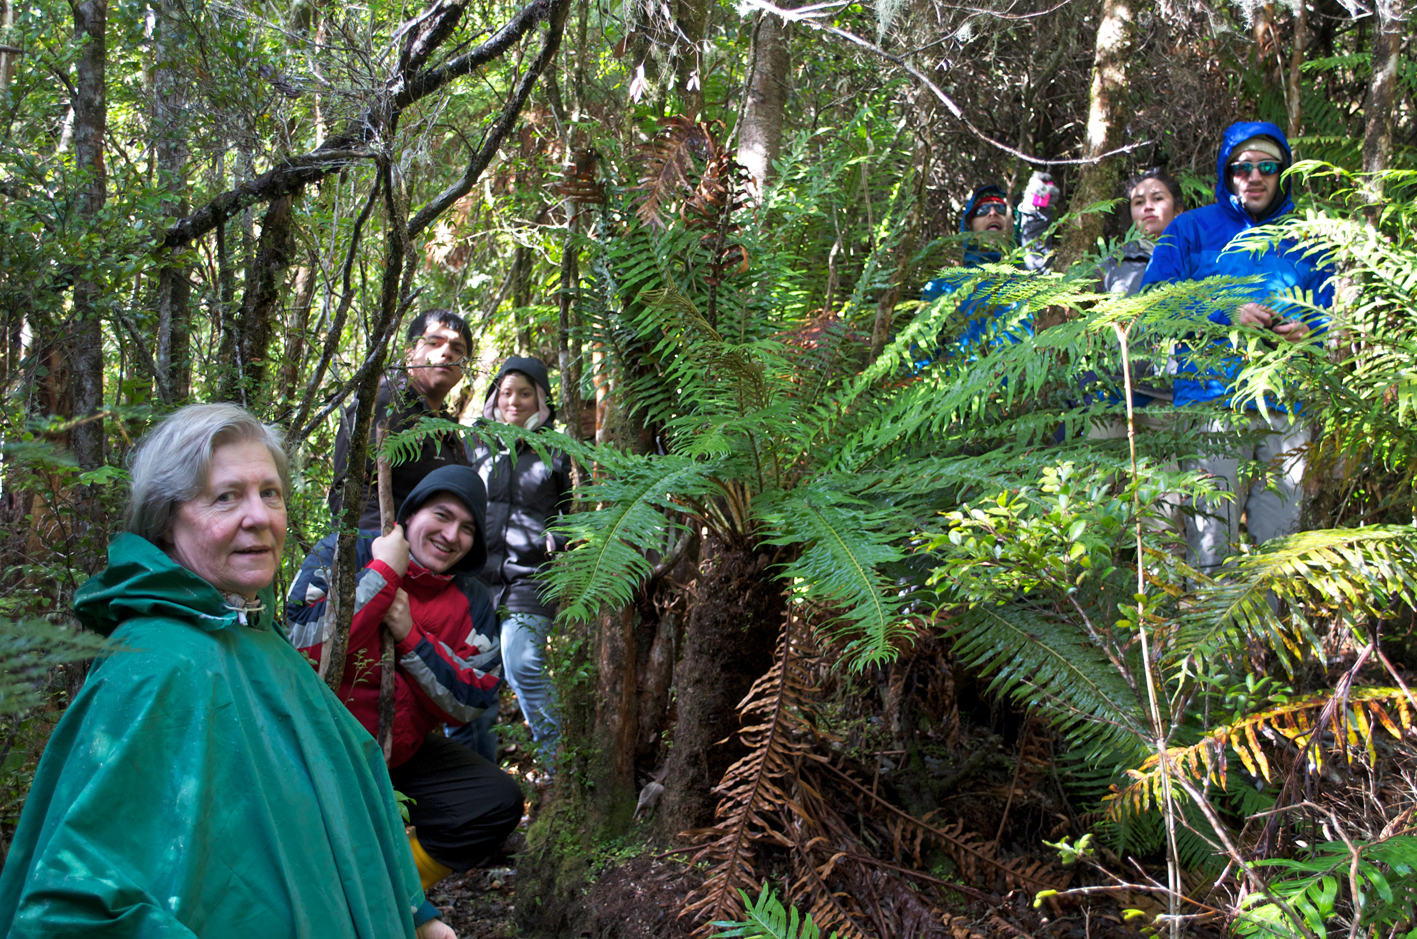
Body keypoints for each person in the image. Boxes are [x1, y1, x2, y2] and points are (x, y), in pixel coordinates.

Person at [0, 403, 455, 938]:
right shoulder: (153, 666)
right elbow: (75, 904)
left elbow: (349, 785)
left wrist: (415, 912)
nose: (259, 516)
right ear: (167, 521)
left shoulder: (258, 637)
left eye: (270, 493)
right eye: (225, 497)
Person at [288, 464, 524, 890]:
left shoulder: (471, 599)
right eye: (442, 515)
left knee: (494, 802)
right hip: (317, 749)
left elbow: (473, 698)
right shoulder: (345, 552)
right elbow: (300, 642)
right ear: (411, 514)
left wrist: (410, 635)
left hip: (399, 756)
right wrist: (382, 576)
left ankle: (395, 894)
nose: (452, 536)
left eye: (467, 527)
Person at [1140, 120, 1334, 576]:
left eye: (1268, 166)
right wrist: (1224, 310)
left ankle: (1265, 644)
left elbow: (1327, 311)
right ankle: (1208, 649)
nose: (1255, 176)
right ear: (1227, 174)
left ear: (1283, 173)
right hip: (1213, 405)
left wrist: (1309, 330)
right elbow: (1155, 302)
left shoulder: (1308, 237)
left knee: (1279, 547)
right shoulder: (1191, 228)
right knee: (1210, 542)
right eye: (1242, 167)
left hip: (1286, 408)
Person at [451, 356, 573, 763]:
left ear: (541, 398)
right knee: (473, 679)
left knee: (523, 665)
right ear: (495, 397)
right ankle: (477, 779)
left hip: (531, 579)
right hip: (475, 579)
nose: (515, 402)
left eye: (525, 393)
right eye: (506, 393)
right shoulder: (474, 444)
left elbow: (577, 513)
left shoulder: (558, 451)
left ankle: (559, 773)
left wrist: (557, 538)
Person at [330, 309, 475, 531]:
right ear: (409, 353)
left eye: (458, 349)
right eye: (435, 343)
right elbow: (351, 491)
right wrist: (382, 551)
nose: (446, 353)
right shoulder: (384, 405)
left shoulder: (447, 426)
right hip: (381, 557)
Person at [920, 172, 1059, 356]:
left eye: (1001, 209)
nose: (993, 213)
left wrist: (1036, 218)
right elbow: (920, 348)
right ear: (968, 226)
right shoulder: (947, 282)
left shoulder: (1031, 269)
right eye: (982, 211)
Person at [1099, 167, 1184, 297]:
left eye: (1157, 198)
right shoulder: (1114, 262)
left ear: (1178, 209)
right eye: (1139, 202)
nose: (1148, 207)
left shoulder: (1198, 256)